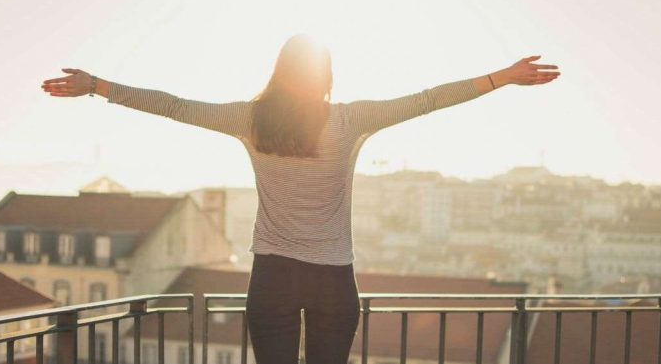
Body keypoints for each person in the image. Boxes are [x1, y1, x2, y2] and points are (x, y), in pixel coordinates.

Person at [41, 34, 560, 364]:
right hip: (334, 279)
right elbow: (426, 101)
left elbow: (174, 107)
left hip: (272, 277)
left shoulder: (250, 118)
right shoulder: (351, 119)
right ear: (326, 76)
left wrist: (98, 86)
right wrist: (502, 78)